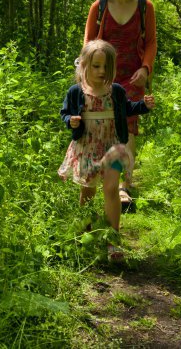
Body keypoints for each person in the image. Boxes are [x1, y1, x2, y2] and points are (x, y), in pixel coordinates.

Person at [58, 40, 155, 261]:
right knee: (88, 191)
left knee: (111, 189)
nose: (102, 71)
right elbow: (64, 112)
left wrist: (144, 106)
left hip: (113, 146)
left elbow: (128, 108)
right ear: (84, 66)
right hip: (87, 146)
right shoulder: (76, 92)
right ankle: (87, 235)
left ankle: (113, 240)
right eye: (96, 66)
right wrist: (70, 120)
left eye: (106, 67)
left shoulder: (116, 92)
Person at [84, 0, 157, 210]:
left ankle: (125, 185)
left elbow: (150, 42)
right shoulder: (99, 7)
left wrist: (146, 69)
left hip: (133, 76)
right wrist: (88, 74)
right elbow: (89, 43)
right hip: (104, 75)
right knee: (103, 125)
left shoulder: (145, 7)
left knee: (127, 127)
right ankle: (102, 176)